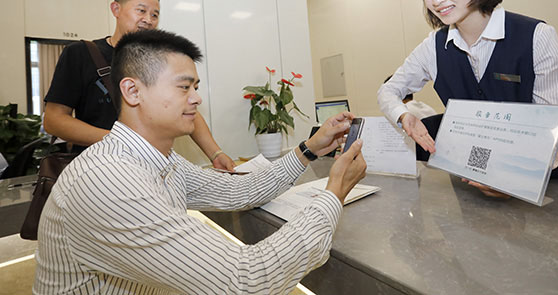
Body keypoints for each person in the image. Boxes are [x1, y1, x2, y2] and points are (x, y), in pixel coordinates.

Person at [33, 29, 367, 294]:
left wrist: (309, 148)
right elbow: (245, 281)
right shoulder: (108, 181)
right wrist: (334, 192)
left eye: (195, 86)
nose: (196, 98)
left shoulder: (160, 160)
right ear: (133, 92)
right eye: (184, 87)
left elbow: (238, 191)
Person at [378, 0, 558, 196]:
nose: (436, 0)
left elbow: (556, 128)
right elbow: (388, 90)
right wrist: (404, 116)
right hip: (472, 180)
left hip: (545, 177)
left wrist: (515, 179)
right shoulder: (433, 47)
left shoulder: (537, 36)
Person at [43, 0, 235, 170]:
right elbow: (54, 120)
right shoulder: (80, 53)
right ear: (116, 9)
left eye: (155, 15)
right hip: (98, 166)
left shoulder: (159, 58)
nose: (148, 20)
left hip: (153, 167)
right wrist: (123, 141)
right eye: (141, 11)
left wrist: (216, 154)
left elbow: (185, 107)